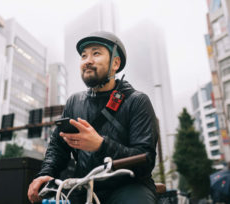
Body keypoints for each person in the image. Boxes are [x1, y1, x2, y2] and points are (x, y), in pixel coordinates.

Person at [28, 31, 159, 204]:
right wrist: (45, 173)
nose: (88, 60)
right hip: (82, 187)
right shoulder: (74, 102)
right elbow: (57, 146)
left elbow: (146, 159)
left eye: (96, 53)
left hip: (129, 186)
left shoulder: (137, 101)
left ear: (115, 63)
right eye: (84, 56)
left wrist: (101, 145)